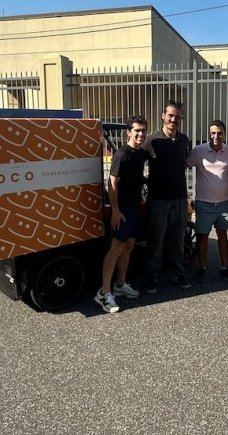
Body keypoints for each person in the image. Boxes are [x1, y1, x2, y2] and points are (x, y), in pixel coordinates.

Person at [94, 115, 149, 313]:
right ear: (129, 132)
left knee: (128, 247)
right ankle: (104, 293)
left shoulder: (140, 154)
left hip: (135, 209)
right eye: (137, 130)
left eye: (143, 130)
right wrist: (115, 210)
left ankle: (120, 284)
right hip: (123, 210)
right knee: (116, 249)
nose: (141, 134)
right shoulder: (122, 154)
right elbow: (112, 183)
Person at [142, 100, 191, 292]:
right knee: (155, 241)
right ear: (163, 116)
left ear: (181, 118)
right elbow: (137, 162)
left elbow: (182, 163)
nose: (173, 119)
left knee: (178, 240)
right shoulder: (151, 140)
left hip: (179, 198)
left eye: (177, 116)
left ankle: (179, 273)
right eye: (170, 115)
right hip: (158, 200)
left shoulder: (184, 140)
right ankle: (151, 277)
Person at [185, 120, 228, 283]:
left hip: (223, 203)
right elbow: (182, 167)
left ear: (224, 134)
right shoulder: (198, 151)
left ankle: (224, 267)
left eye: (219, 133)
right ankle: (202, 268)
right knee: (203, 237)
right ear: (209, 133)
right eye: (213, 133)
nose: (216, 136)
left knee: (223, 235)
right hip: (204, 203)